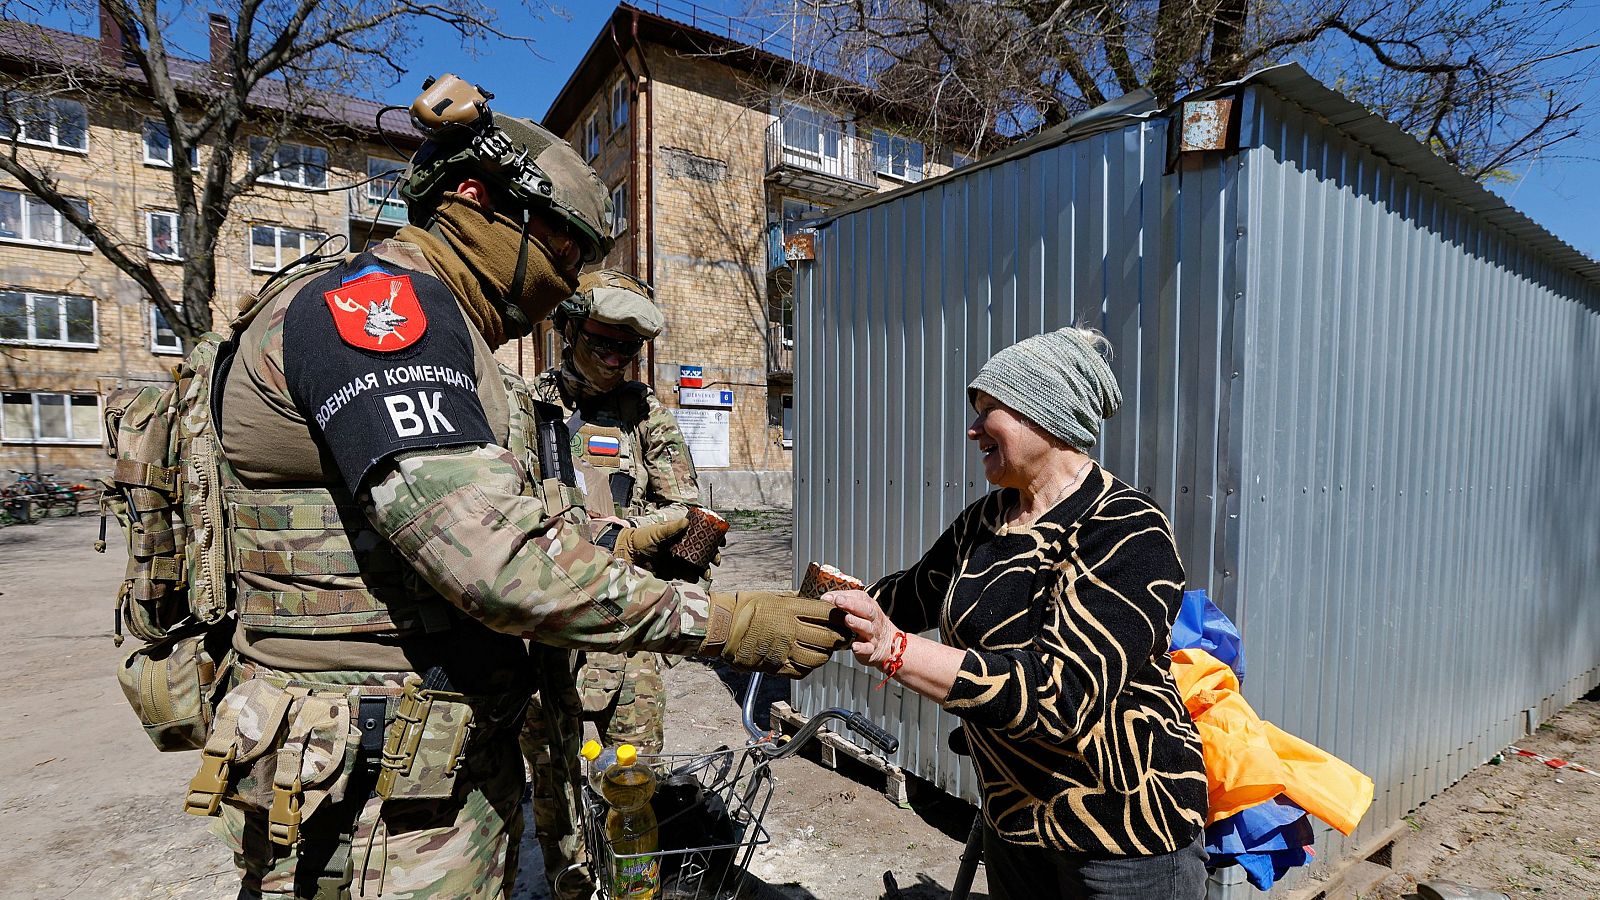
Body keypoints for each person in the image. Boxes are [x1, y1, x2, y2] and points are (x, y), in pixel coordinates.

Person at [189, 73, 845, 899]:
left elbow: (497, 522)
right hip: (376, 793)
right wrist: (727, 623)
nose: (568, 285)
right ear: (475, 199)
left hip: (414, 760)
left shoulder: (443, 329)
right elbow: (494, 560)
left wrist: (621, 542)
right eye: (565, 251)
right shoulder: (385, 313)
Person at [829, 327, 1210, 900]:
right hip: (1016, 823)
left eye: (990, 411)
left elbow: (1058, 694)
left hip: (1120, 834)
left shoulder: (1127, 529)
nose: (973, 428)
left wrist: (895, 650)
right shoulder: (985, 521)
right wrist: (804, 614)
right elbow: (906, 596)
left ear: (1046, 416)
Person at [520, 269, 702, 897]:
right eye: (603, 342)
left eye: (628, 348)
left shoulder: (643, 410)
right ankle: (569, 885)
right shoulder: (531, 407)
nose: (615, 358)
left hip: (629, 634)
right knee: (554, 783)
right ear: (569, 329)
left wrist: (628, 536)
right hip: (548, 634)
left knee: (634, 781)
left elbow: (688, 510)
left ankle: (634, 890)